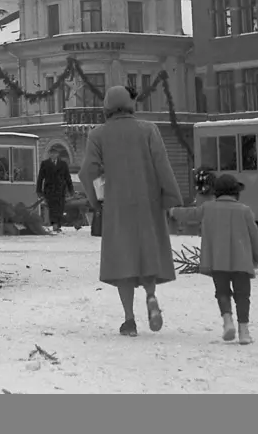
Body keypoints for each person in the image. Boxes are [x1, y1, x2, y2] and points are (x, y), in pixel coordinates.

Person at [80, 85, 183, 337]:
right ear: (129, 104)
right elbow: (162, 165)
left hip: (116, 206)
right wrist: (170, 197)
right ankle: (150, 296)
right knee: (146, 254)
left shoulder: (98, 135)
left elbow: (87, 172)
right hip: (148, 204)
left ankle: (129, 320)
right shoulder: (149, 130)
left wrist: (95, 200)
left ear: (106, 106)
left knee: (122, 262)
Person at [170, 173, 258, 345]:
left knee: (222, 293)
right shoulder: (245, 211)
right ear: (236, 193)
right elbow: (255, 237)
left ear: (216, 193)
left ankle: (227, 321)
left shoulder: (207, 208)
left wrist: (172, 211)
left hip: (217, 261)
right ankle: (244, 331)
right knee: (243, 295)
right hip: (241, 262)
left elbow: (190, 214)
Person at [37, 148, 74, 231]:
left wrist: (71, 190)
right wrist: (39, 190)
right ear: (49, 154)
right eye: (51, 153)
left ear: (57, 154)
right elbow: (40, 178)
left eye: (54, 153)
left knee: (60, 208)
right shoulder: (45, 163)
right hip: (49, 190)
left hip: (60, 189)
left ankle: (58, 224)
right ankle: (55, 224)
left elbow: (67, 178)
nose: (53, 155)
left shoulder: (63, 164)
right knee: (52, 207)